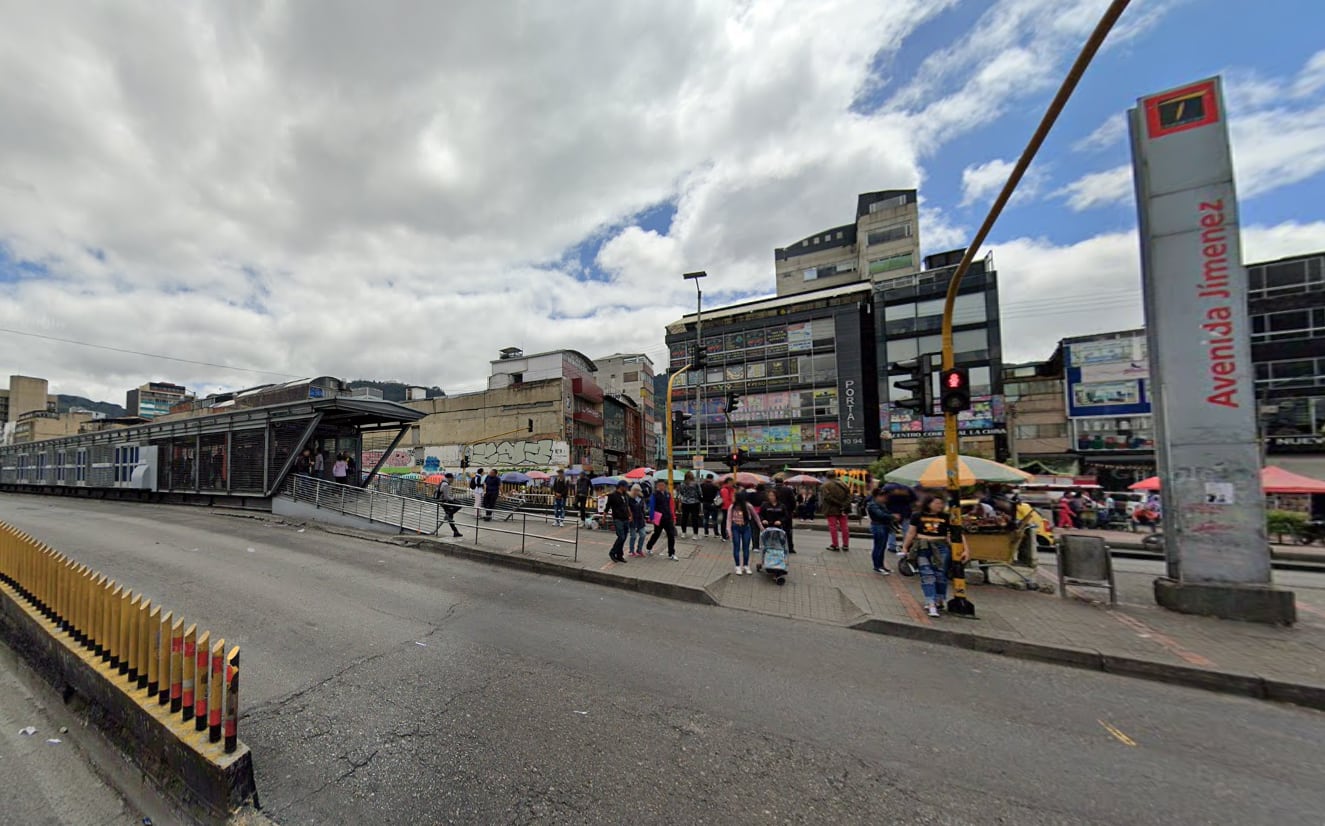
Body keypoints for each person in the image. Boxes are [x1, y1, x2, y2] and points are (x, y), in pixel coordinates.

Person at [902, 494, 968, 618]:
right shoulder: (917, 516)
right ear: (928, 504)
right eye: (937, 503)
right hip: (922, 547)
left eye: (941, 503)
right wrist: (905, 547)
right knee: (927, 575)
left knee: (940, 574)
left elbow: (958, 533)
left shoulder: (947, 517)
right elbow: (911, 532)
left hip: (941, 547)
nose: (940, 506)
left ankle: (939, 599)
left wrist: (965, 550)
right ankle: (931, 602)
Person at [727, 491, 764, 575]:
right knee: (736, 547)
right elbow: (728, 519)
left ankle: (746, 565)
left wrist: (761, 527)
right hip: (735, 528)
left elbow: (756, 517)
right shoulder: (732, 507)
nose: (732, 498)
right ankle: (737, 566)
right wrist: (729, 531)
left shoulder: (748, 506)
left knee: (746, 547)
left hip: (746, 528)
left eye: (734, 497)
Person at [880, 480, 917, 563]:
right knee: (907, 530)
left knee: (891, 529)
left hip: (892, 512)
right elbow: (914, 500)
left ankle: (892, 546)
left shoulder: (887, 488)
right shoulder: (907, 489)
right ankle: (906, 545)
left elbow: (883, 500)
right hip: (906, 512)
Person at [821, 470, 852, 552]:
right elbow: (849, 496)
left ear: (827, 476)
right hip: (843, 509)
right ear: (835, 475)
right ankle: (845, 545)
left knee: (833, 527)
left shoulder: (825, 485)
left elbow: (827, 497)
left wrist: (838, 503)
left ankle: (835, 545)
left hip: (831, 509)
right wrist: (844, 504)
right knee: (844, 526)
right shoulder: (844, 484)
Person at [646, 484, 679, 560]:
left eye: (663, 485)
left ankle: (671, 553)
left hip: (668, 517)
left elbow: (671, 506)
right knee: (657, 533)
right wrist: (652, 517)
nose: (662, 487)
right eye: (660, 485)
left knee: (671, 535)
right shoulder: (654, 495)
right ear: (657, 487)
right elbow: (652, 506)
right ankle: (649, 546)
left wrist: (673, 517)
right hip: (659, 517)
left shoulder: (668, 494)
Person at [867, 488, 894, 575]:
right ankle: (877, 566)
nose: (885, 499)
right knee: (878, 547)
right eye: (883, 497)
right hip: (878, 526)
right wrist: (892, 516)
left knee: (882, 547)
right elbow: (881, 515)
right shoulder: (872, 505)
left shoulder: (881, 504)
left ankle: (881, 565)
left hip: (884, 526)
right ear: (877, 496)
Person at [604, 480, 631, 562]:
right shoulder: (612, 495)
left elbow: (627, 506)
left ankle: (619, 555)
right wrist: (604, 517)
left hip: (625, 518)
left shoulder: (625, 495)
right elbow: (607, 506)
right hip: (618, 518)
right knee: (621, 537)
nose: (627, 488)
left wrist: (630, 515)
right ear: (621, 486)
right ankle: (612, 552)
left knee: (624, 537)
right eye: (626, 486)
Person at [772, 474, 798, 553]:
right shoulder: (788, 490)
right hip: (787, 513)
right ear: (782, 482)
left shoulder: (772, 490)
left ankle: (776, 546)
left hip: (774, 512)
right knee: (788, 531)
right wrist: (791, 510)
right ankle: (790, 547)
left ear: (775, 482)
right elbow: (793, 502)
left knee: (775, 530)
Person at [433, 472, 463, 538]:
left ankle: (455, 531)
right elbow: (447, 497)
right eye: (453, 478)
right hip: (444, 501)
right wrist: (453, 499)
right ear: (449, 478)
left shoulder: (442, 482)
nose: (453, 480)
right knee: (459, 505)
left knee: (450, 517)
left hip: (441, 501)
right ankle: (449, 514)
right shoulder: (445, 484)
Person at [677, 472, 702, 538]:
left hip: (685, 503)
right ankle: (695, 534)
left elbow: (681, 493)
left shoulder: (682, 484)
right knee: (694, 519)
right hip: (695, 503)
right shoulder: (696, 483)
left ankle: (683, 533)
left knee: (684, 518)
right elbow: (700, 492)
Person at [628, 484, 648, 557]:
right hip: (633, 519)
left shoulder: (641, 497)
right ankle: (631, 550)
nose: (636, 492)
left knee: (643, 535)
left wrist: (644, 515)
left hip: (640, 519)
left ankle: (639, 550)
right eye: (635, 490)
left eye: (638, 490)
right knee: (633, 536)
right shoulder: (629, 498)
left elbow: (643, 507)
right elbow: (628, 508)